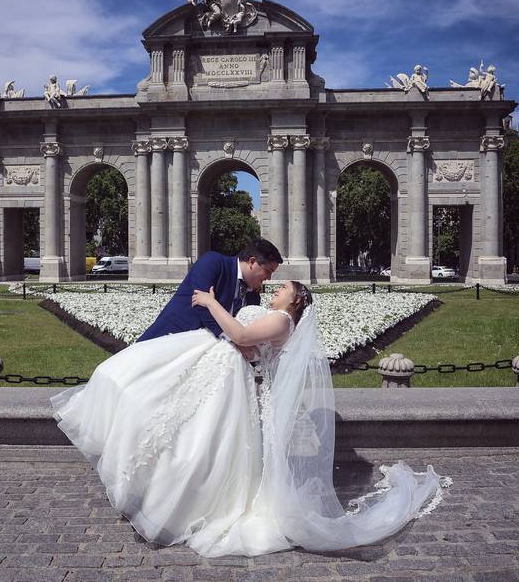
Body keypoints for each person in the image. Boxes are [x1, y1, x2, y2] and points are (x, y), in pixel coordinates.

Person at [51, 272, 449, 557]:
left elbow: (242, 337)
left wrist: (210, 304)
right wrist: (240, 340)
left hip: (227, 380)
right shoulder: (273, 316)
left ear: (295, 301)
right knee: (185, 433)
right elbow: (247, 343)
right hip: (219, 371)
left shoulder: (281, 318)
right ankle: (161, 490)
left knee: (198, 443)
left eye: (284, 288)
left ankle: (176, 503)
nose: (276, 289)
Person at [137, 238, 281, 342]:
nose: (269, 278)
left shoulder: (254, 297)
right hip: (172, 338)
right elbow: (200, 306)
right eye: (268, 271)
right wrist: (234, 342)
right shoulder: (213, 263)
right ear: (252, 262)